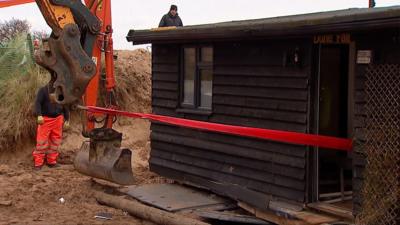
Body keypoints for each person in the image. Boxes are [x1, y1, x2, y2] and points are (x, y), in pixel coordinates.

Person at [33, 83, 70, 170]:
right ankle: (38, 163)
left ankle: (51, 161)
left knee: (55, 141)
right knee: (41, 141)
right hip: (45, 120)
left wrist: (67, 119)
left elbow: (65, 104)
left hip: (58, 119)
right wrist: (39, 115)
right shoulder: (43, 90)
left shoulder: (61, 91)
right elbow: (37, 102)